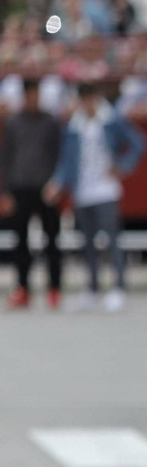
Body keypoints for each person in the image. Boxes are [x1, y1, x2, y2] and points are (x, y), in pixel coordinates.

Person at [48, 82, 147, 313]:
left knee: (111, 240)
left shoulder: (110, 120)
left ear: (95, 99)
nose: (86, 104)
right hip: (83, 191)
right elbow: (67, 160)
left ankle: (118, 287)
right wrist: (57, 183)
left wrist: (123, 166)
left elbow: (138, 143)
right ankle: (92, 288)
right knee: (88, 244)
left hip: (106, 189)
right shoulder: (74, 126)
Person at [1, 78, 65, 310]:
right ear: (24, 96)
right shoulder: (13, 123)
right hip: (20, 188)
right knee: (20, 242)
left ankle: (55, 289)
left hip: (46, 189)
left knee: (51, 241)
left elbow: (60, 156)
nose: (34, 99)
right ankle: (23, 289)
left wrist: (57, 184)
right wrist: (5, 191)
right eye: (30, 95)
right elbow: (7, 158)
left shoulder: (50, 122)